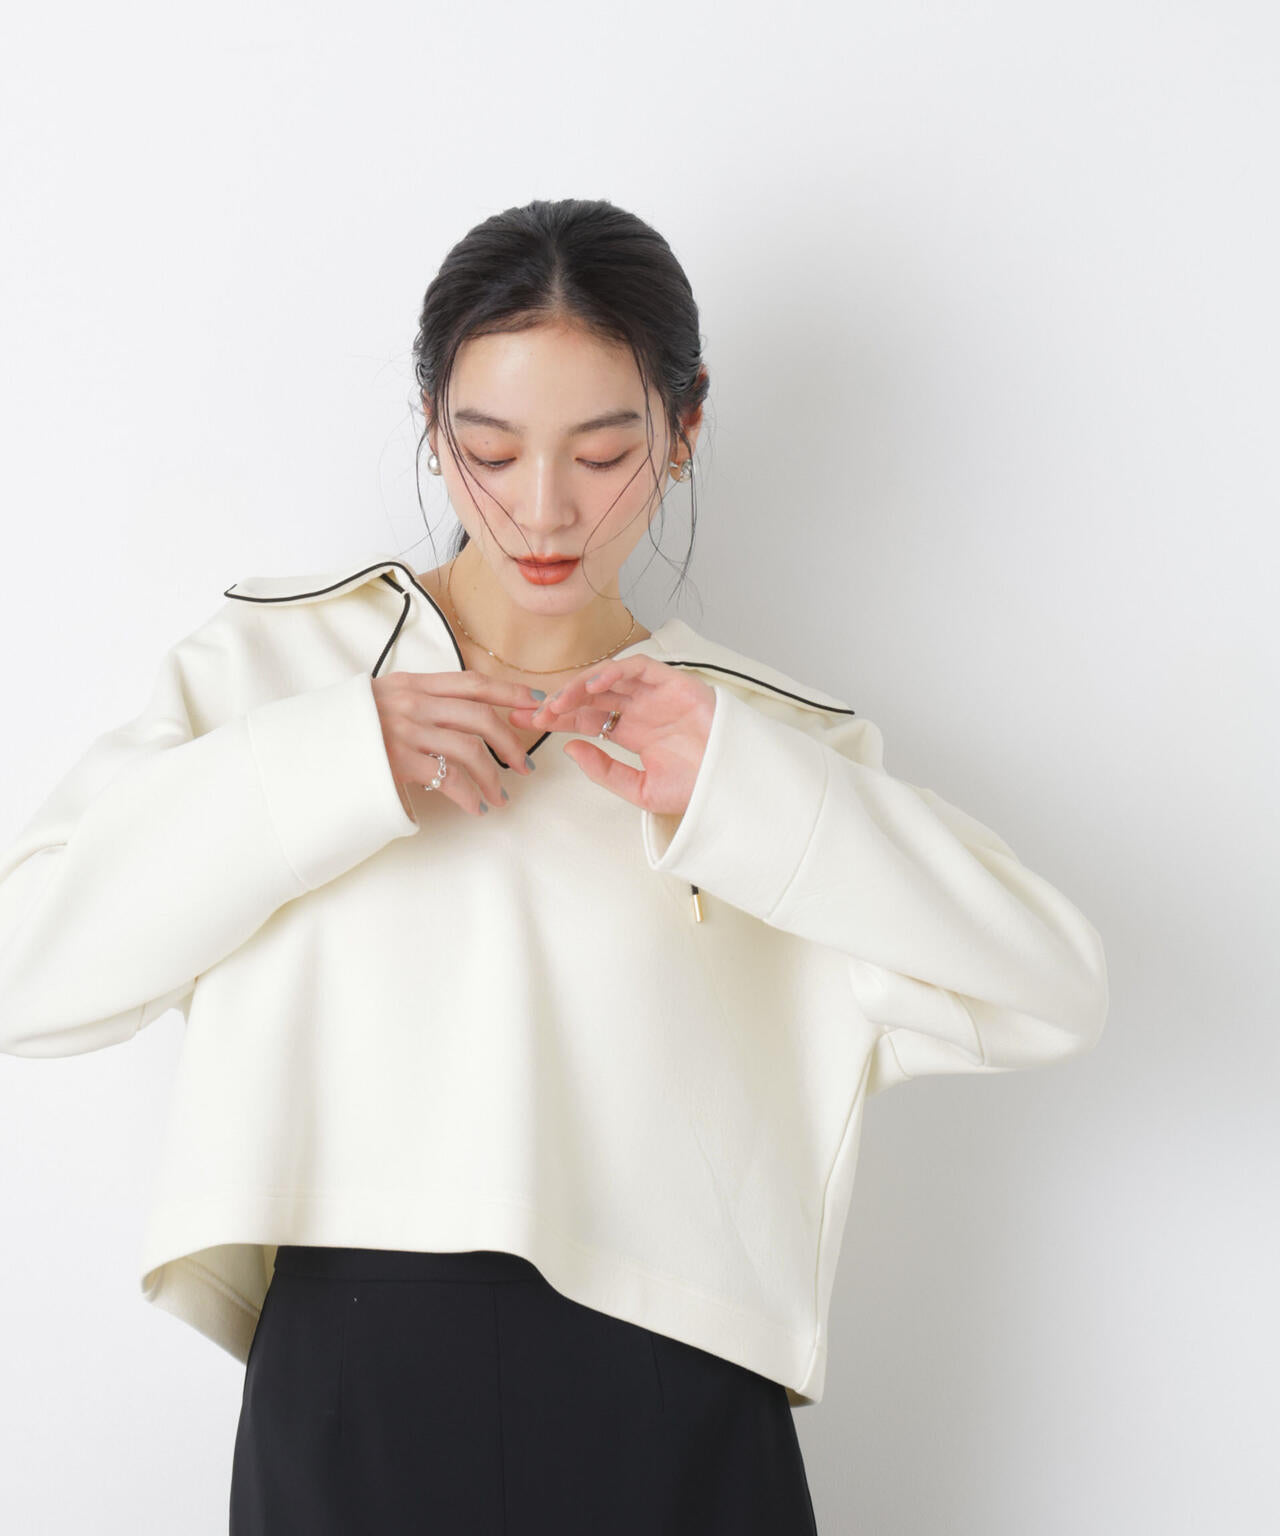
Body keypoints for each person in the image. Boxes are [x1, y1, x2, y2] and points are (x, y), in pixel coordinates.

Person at [0, 197, 1109, 1535]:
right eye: (489, 450)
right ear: (431, 426)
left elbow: (1051, 987)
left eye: (602, 453)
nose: (543, 508)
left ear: (684, 429)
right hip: (349, 1391)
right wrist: (344, 758)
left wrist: (741, 789)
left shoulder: (752, 743)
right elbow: (29, 972)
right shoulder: (276, 676)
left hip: (679, 1395)